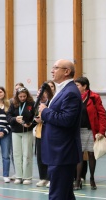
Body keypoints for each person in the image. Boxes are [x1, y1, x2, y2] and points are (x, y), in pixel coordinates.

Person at [38, 59, 82, 200]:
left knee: (57, 195)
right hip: (58, 151)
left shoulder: (71, 92)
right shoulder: (62, 90)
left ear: (66, 72)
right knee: (66, 194)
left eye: (56, 68)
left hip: (62, 152)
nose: (52, 70)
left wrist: (45, 111)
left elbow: (66, 120)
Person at [7, 86, 35, 185]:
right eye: (20, 96)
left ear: (27, 95)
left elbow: (35, 117)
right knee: (17, 154)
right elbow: (8, 117)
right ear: (17, 96)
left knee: (27, 154)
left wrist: (31, 124)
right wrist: (15, 119)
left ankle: (27, 177)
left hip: (27, 131)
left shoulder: (31, 104)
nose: (22, 98)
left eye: (24, 96)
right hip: (15, 132)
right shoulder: (13, 104)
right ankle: (19, 176)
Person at [34, 80, 55, 188]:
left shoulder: (54, 101)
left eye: (52, 86)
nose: (50, 88)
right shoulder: (39, 101)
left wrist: (44, 118)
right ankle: (43, 178)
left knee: (50, 156)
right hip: (39, 132)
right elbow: (33, 113)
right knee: (40, 156)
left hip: (50, 132)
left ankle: (51, 178)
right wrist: (36, 119)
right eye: (48, 87)